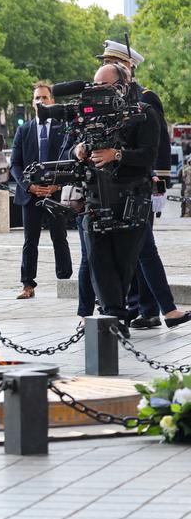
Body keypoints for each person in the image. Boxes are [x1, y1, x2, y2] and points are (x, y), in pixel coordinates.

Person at [91, 41, 191, 330]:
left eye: (116, 63)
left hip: (137, 183)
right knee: (138, 250)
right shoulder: (102, 100)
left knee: (143, 248)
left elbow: (157, 144)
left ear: (128, 67)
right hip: (108, 186)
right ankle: (145, 307)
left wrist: (158, 180)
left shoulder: (145, 99)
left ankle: (153, 308)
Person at [73, 63, 158, 337]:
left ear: (122, 84)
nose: (97, 91)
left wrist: (116, 154)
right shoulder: (91, 116)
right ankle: (112, 317)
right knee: (97, 260)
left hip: (130, 201)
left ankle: (118, 317)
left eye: (104, 85)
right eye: (95, 85)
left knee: (123, 263)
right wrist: (80, 149)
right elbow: (78, 143)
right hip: (96, 200)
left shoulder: (145, 115)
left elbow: (148, 156)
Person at [9, 80, 73, 300]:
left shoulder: (61, 128)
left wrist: (58, 184)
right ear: (32, 103)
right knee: (30, 241)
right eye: (37, 98)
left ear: (52, 101)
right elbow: (14, 164)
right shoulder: (24, 130)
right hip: (31, 195)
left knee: (59, 237)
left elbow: (68, 158)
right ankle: (28, 285)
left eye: (45, 97)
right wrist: (29, 186)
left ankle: (66, 282)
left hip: (55, 192)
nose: (41, 101)